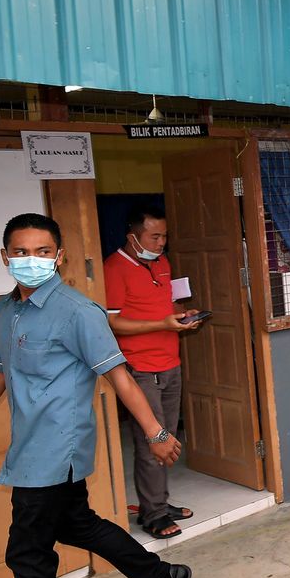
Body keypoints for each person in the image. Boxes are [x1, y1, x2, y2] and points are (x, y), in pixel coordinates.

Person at [0, 214, 192, 578]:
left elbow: (119, 376)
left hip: (56, 448)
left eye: (42, 251)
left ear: (59, 256)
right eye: (21, 252)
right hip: (28, 445)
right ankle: (162, 576)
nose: (31, 260)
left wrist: (157, 432)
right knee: (75, 524)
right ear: (5, 257)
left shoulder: (78, 312)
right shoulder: (4, 312)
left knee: (28, 556)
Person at [104, 205, 201, 539]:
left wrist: (182, 315)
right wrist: (162, 324)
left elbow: (164, 305)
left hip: (170, 362)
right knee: (151, 442)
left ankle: (156, 502)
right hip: (140, 369)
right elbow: (112, 321)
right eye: (154, 236)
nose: (161, 243)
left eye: (164, 236)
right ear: (133, 236)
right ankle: (153, 515)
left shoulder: (161, 263)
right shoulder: (114, 268)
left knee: (167, 439)